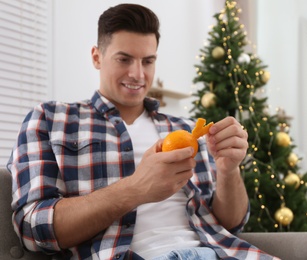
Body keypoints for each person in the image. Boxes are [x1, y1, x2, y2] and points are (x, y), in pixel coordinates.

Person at [7, 3, 278, 260]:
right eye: (124, 59)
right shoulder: (51, 119)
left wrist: (229, 170)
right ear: (97, 57)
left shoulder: (186, 129)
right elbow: (33, 229)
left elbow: (231, 223)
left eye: (148, 61)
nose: (138, 74)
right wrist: (136, 188)